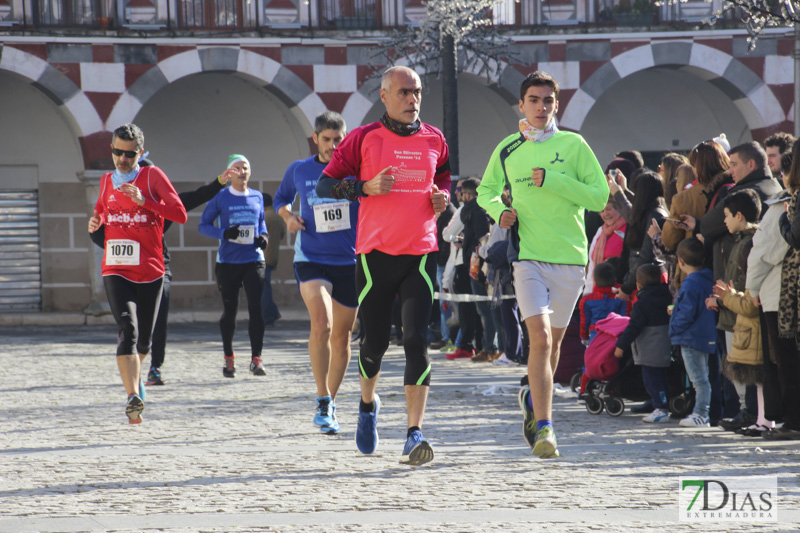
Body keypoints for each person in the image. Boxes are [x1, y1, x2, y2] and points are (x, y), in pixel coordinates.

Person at [315, 66, 450, 465]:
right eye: (405, 92)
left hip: (421, 252)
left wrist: (442, 197)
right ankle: (367, 404)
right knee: (373, 342)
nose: (413, 100)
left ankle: (413, 433)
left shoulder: (435, 139)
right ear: (385, 95)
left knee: (416, 341)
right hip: (375, 255)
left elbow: (441, 178)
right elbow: (326, 186)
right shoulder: (363, 138)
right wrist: (364, 188)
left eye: (418, 92)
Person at [476, 71, 608, 458]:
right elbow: (486, 191)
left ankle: (534, 404)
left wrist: (553, 180)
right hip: (527, 257)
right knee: (542, 340)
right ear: (521, 104)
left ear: (556, 105)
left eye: (548, 100)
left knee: (550, 352)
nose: (541, 107)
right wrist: (499, 212)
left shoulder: (574, 145)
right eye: (533, 100)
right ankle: (548, 428)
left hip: (569, 258)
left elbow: (599, 197)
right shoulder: (508, 148)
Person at [90, 164, 229, 386]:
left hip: (157, 269)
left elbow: (195, 197)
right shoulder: (118, 203)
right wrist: (100, 231)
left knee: (157, 320)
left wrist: (220, 182)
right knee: (130, 325)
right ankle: (131, 360)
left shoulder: (161, 202)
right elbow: (100, 234)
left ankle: (155, 366)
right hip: (126, 269)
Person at [87, 123, 187, 423]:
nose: (122, 159)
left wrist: (147, 202)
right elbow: (101, 217)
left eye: (129, 155)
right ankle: (132, 397)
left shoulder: (152, 176)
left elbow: (180, 214)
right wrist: (95, 226)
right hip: (116, 268)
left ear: (140, 153)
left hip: (151, 270)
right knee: (127, 330)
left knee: (144, 341)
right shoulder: (106, 182)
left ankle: (137, 380)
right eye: (117, 152)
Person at [273, 111, 359, 435]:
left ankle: (330, 404)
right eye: (327, 140)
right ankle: (322, 397)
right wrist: (289, 217)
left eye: (339, 140)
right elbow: (280, 199)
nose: (334, 146)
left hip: (349, 261)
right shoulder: (299, 170)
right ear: (316, 138)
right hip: (310, 257)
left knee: (342, 337)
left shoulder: (355, 171)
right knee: (322, 324)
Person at [199, 154, 268, 378]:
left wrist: (264, 238)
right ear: (229, 173)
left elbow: (262, 225)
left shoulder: (257, 196)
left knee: (256, 308)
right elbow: (204, 226)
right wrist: (224, 233)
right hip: (228, 261)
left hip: (254, 259)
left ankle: (256, 359)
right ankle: (229, 357)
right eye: (237, 167)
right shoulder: (221, 197)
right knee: (230, 311)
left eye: (245, 167)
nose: (242, 171)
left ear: (250, 171)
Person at [712, 189, 771, 436]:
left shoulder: (749, 242)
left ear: (738, 215)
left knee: (752, 374)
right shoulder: (739, 241)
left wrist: (726, 297)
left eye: (726, 215)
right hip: (734, 312)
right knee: (748, 374)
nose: (724, 221)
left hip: (742, 315)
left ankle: (756, 416)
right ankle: (754, 415)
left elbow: (746, 290)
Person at [614, 264, 673, 423]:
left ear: (638, 285)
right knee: (662, 379)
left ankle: (661, 408)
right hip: (665, 345)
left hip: (650, 348)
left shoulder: (641, 304)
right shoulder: (667, 297)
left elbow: (634, 327)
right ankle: (662, 405)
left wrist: (621, 345)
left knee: (652, 380)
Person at [669, 238, 717, 427]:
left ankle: (701, 414)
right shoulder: (707, 278)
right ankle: (702, 413)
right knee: (702, 377)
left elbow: (687, 313)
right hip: (703, 335)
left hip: (690, 338)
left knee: (699, 379)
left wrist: (674, 328)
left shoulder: (690, 283)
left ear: (680, 262)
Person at [584, 200, 626, 296]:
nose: (605, 214)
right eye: (602, 211)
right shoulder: (600, 231)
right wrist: (587, 293)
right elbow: (591, 264)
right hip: (599, 293)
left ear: (619, 208)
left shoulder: (628, 228)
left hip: (620, 292)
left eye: (609, 209)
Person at [579, 261, 627, 345]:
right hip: (616, 335)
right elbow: (625, 318)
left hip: (595, 336)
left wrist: (584, 336)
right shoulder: (622, 297)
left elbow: (585, 322)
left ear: (595, 280)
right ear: (614, 279)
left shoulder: (586, 300)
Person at [261, 193, 286, 327]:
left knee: (264, 289)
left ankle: (268, 317)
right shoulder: (277, 216)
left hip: (263, 256)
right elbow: (282, 235)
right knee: (265, 286)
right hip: (273, 256)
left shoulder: (264, 217)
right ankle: (273, 312)